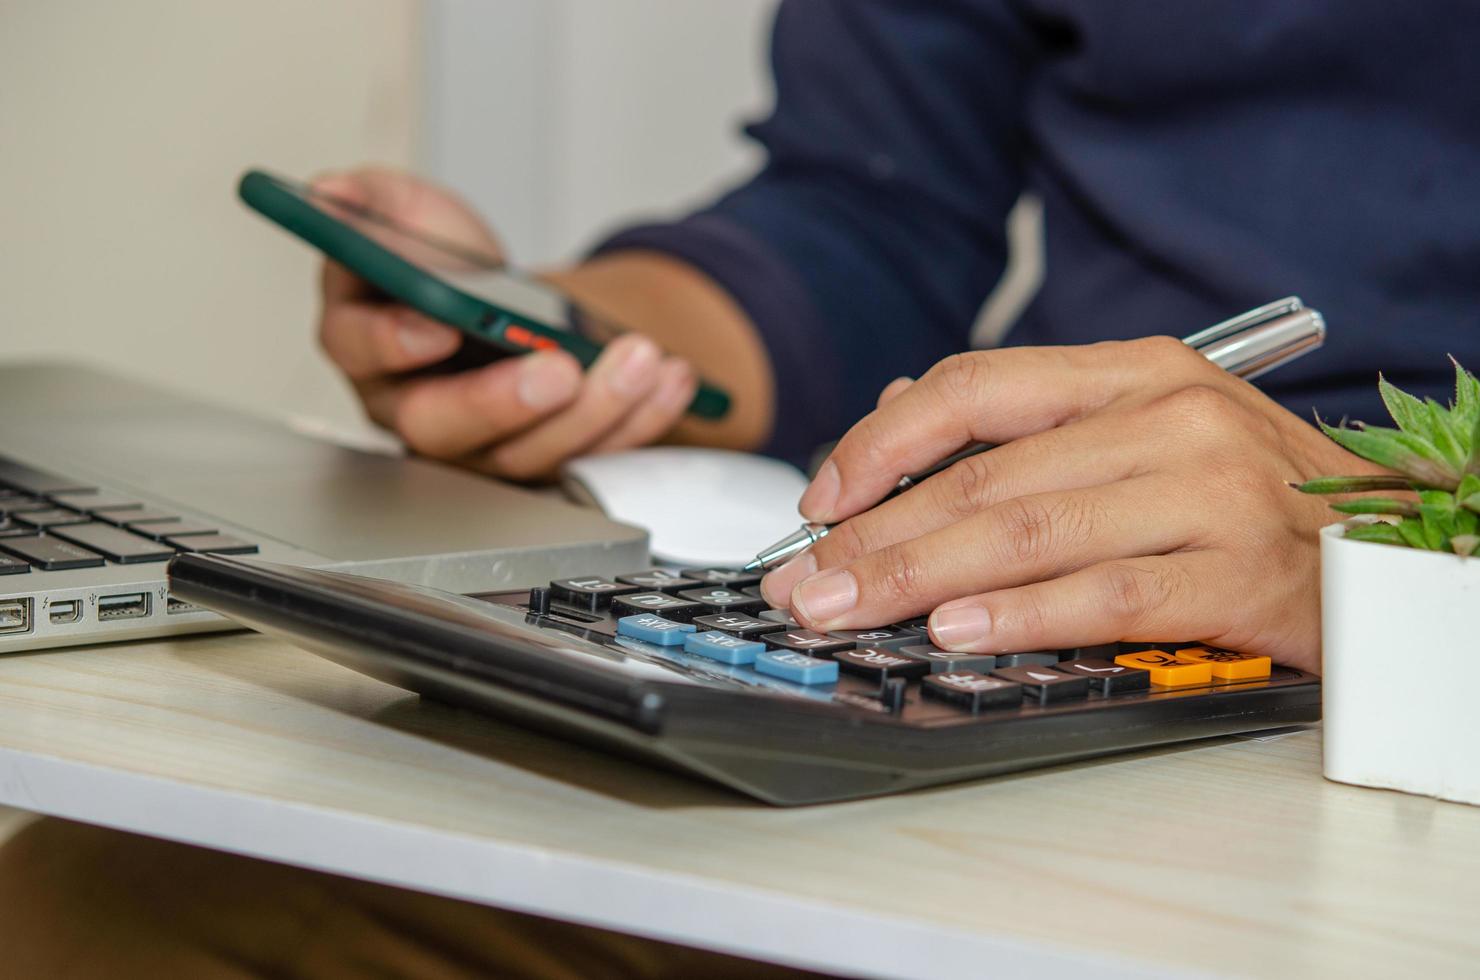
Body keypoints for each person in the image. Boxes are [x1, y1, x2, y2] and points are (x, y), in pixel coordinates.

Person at [4, 1, 1476, 975]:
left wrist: (1392, 530)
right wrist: (565, 338)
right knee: (107, 910)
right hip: (1068, 630)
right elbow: (870, 202)